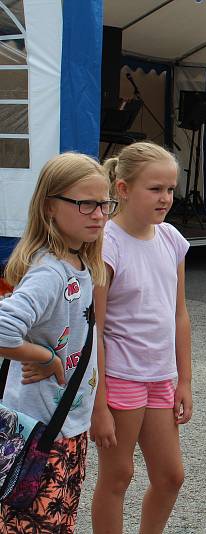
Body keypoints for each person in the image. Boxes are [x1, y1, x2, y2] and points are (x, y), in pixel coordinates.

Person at [0, 153, 114, 532]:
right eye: (85, 203)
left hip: (63, 427)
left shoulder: (78, 262)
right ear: (50, 206)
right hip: (40, 433)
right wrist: (45, 356)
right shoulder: (50, 271)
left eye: (104, 203)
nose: (98, 214)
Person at [91, 142, 192, 534]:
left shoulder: (171, 239)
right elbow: (94, 330)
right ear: (122, 189)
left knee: (171, 477)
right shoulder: (106, 245)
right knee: (117, 478)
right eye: (155, 189)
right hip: (120, 379)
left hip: (160, 379)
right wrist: (98, 405)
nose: (165, 198)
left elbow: (179, 315)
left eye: (170, 189)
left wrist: (184, 380)